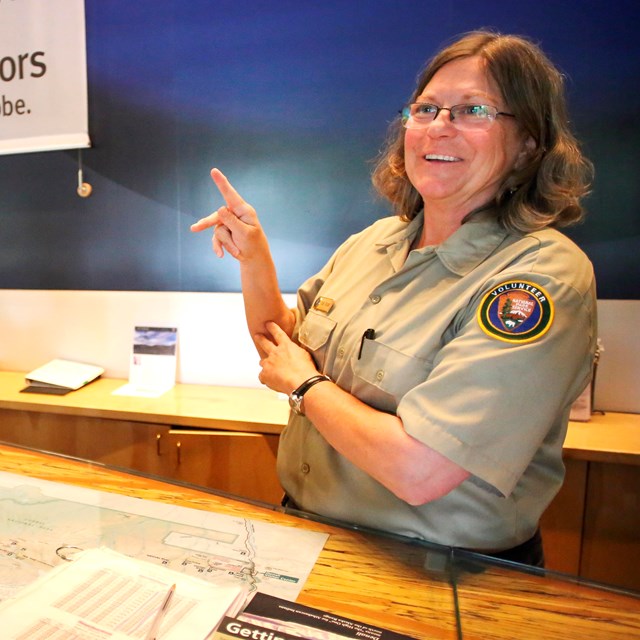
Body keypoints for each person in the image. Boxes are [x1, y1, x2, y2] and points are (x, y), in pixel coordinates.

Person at [191, 30, 596, 567]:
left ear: (529, 144)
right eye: (426, 109)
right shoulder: (372, 242)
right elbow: (281, 348)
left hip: (440, 570)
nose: (439, 127)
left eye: (473, 110)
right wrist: (254, 258)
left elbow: (421, 469)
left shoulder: (539, 276)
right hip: (307, 536)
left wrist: (305, 386)